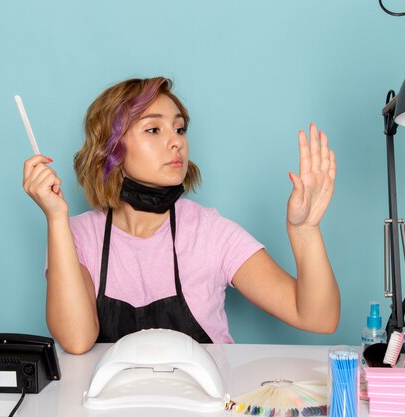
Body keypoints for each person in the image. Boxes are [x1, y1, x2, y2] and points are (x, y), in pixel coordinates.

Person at [22, 77, 340, 354]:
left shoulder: (210, 232)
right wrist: (56, 219)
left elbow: (317, 317)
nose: (176, 141)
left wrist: (305, 230)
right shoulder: (74, 235)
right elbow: (76, 341)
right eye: (153, 129)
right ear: (111, 149)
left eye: (179, 128)